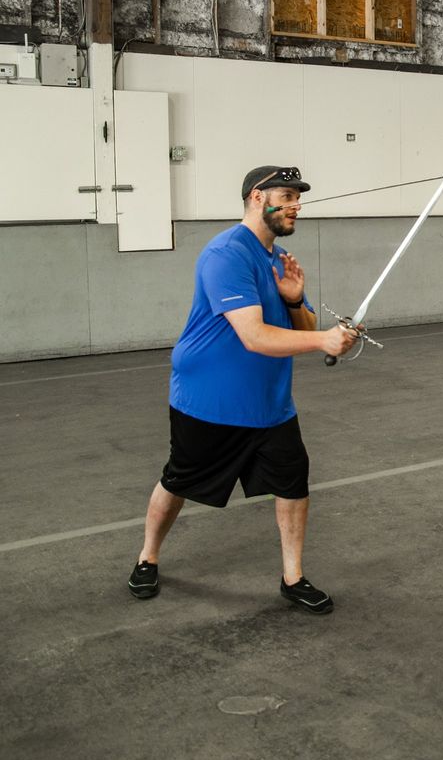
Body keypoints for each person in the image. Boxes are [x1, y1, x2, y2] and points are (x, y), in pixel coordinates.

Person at [126, 166, 359, 614]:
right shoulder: (226, 254)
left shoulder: (279, 258)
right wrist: (324, 340)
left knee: (293, 483)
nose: (296, 206)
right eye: (287, 196)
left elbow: (303, 326)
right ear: (258, 197)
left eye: (298, 198)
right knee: (179, 478)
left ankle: (293, 577)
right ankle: (147, 556)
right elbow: (253, 336)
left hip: (269, 402)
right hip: (210, 398)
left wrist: (295, 300)